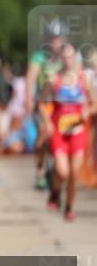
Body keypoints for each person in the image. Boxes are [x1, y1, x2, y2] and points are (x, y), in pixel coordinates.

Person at [40, 42, 94, 222]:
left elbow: (93, 102)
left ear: (76, 57)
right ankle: (55, 192)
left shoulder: (83, 79)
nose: (68, 60)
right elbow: (41, 102)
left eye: (71, 56)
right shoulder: (54, 79)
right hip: (59, 131)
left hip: (77, 131)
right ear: (60, 58)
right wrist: (47, 122)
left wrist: (87, 111)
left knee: (74, 173)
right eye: (65, 56)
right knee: (62, 172)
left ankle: (69, 207)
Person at [25, 20, 67, 190]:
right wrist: (28, 98)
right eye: (52, 38)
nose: (54, 42)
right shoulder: (39, 57)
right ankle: (40, 170)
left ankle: (60, 168)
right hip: (44, 104)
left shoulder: (69, 56)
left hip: (63, 106)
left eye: (57, 39)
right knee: (43, 135)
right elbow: (31, 78)